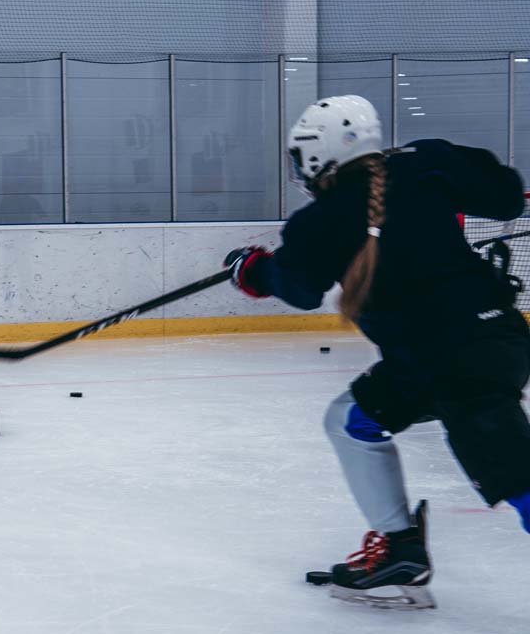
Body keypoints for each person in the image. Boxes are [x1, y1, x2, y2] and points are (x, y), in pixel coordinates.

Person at [224, 95, 530, 610]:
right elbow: (506, 198)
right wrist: (443, 157)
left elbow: (299, 287)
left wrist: (251, 270)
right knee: (350, 421)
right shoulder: (425, 163)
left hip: (453, 363)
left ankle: (399, 544)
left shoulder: (322, 219)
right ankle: (399, 550)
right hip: (483, 344)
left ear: (319, 154)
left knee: (519, 478)